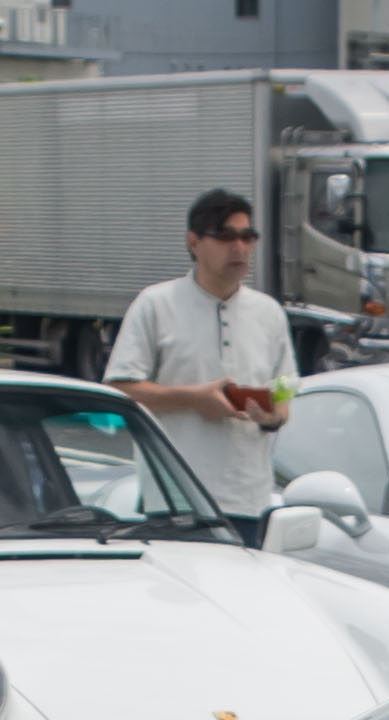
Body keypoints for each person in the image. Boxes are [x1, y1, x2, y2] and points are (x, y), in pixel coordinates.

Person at [106, 187, 296, 536]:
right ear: (194, 243)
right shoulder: (156, 304)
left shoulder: (269, 313)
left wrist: (273, 416)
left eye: (247, 237)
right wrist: (194, 398)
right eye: (225, 236)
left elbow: (285, 390)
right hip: (175, 498)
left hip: (248, 500)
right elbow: (121, 388)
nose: (239, 247)